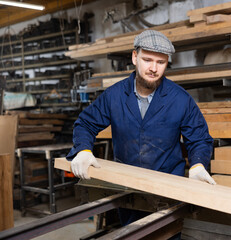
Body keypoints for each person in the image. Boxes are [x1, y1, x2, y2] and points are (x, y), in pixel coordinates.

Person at [66, 30, 216, 228]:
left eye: (160, 62)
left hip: (168, 191)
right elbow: (86, 123)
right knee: (131, 233)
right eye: (147, 60)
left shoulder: (180, 99)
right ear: (135, 57)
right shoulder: (114, 95)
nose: (153, 68)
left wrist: (198, 165)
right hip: (127, 187)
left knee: (167, 234)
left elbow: (199, 139)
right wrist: (84, 150)